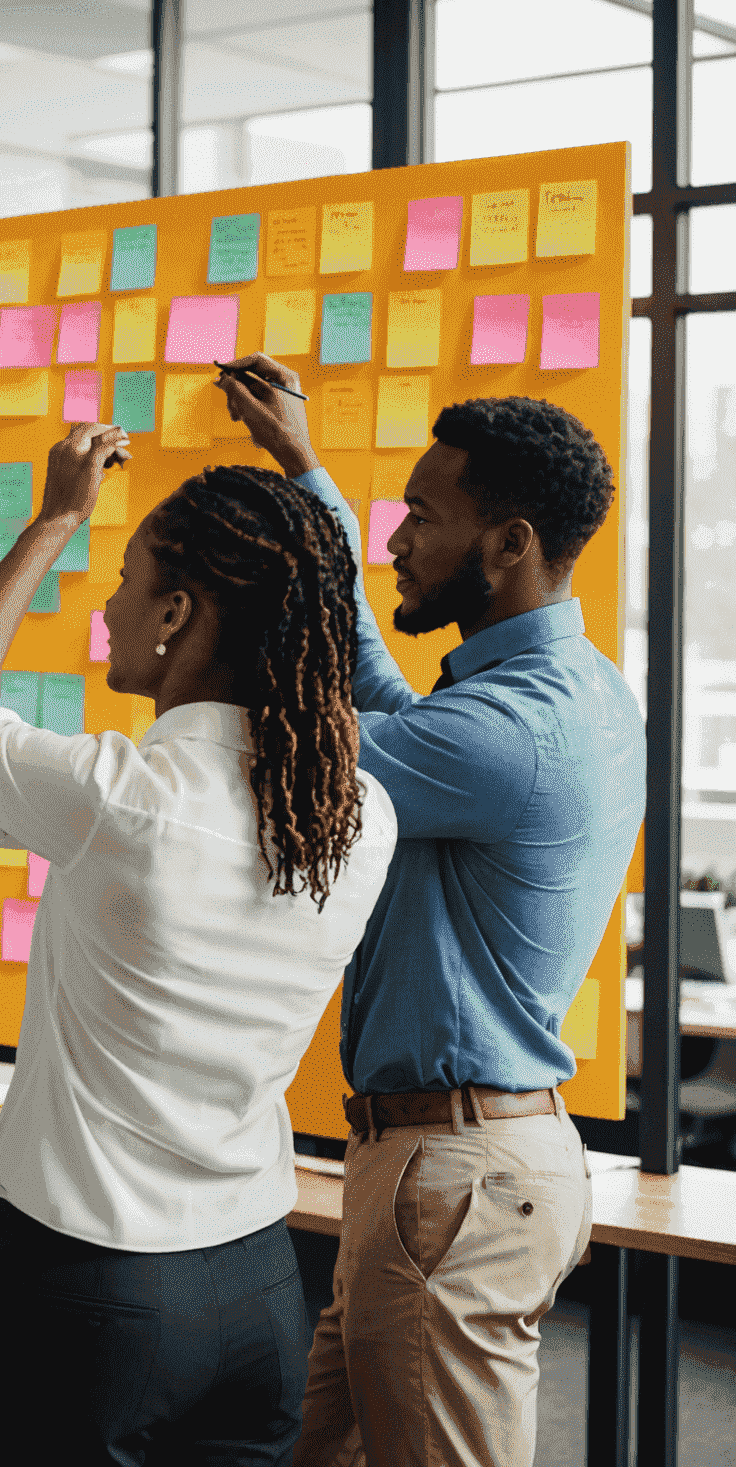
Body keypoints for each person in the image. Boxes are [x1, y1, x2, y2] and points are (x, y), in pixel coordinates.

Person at [0, 423, 399, 1466]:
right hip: (258, 1290)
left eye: (126, 579)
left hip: (88, 1293)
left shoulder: (117, 798)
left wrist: (55, 519)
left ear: (177, 614)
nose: (109, 604)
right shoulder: (360, 816)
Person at [215, 356, 644, 1467]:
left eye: (421, 516)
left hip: (452, 1179)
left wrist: (195, 639)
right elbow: (381, 697)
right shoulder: (559, 690)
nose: (398, 539)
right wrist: (305, 471)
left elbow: (311, 747)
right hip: (440, 1171)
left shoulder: (512, 733)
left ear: (507, 544)